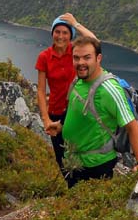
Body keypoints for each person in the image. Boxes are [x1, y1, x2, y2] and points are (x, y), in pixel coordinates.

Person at [49, 31, 138, 187]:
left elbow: (133, 127)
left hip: (96, 167)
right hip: (74, 161)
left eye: (87, 57)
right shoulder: (79, 79)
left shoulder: (109, 90)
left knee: (88, 207)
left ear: (98, 58)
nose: (81, 62)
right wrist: (61, 126)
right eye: (76, 58)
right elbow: (80, 111)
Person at [35, 13, 96, 172]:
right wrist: (46, 119)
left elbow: (95, 42)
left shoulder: (76, 53)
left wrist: (76, 24)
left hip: (77, 111)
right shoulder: (44, 57)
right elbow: (41, 90)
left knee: (82, 154)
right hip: (56, 113)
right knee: (62, 160)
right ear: (52, 33)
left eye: (65, 32)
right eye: (57, 32)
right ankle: (72, 190)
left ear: (71, 36)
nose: (60, 36)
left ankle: (84, 189)